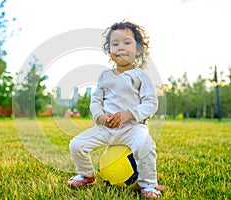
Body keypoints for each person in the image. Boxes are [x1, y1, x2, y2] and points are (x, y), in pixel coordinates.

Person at [67, 21, 165, 198]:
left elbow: (151, 103)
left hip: (133, 128)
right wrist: (102, 117)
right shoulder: (105, 76)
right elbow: (95, 100)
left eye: (127, 43)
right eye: (115, 44)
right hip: (107, 127)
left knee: (145, 145)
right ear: (109, 50)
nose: (121, 47)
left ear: (139, 49)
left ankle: (149, 184)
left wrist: (128, 115)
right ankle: (87, 175)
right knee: (76, 145)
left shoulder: (141, 76)